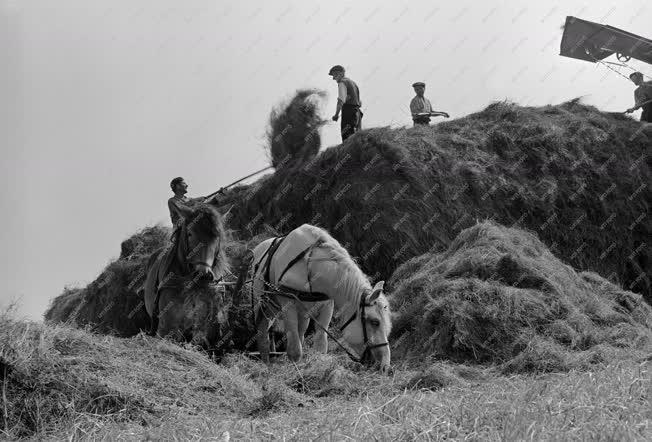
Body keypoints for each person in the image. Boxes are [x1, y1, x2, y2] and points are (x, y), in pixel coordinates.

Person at [329, 65, 362, 141]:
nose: (333, 78)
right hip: (358, 114)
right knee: (357, 138)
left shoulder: (342, 83)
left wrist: (336, 115)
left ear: (340, 73)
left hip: (349, 113)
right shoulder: (353, 83)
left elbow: (341, 100)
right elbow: (359, 102)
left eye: (334, 75)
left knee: (347, 138)